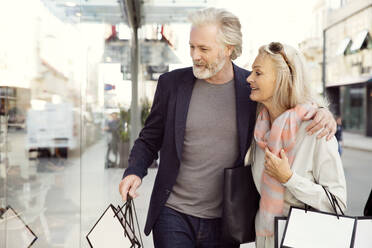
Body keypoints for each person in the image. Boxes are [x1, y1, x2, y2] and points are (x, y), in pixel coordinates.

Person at [119, 8, 336, 247]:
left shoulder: (251, 89)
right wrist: (133, 171)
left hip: (225, 221)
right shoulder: (171, 84)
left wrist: (323, 113)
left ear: (228, 49)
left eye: (204, 49)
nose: (195, 55)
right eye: (192, 47)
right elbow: (150, 138)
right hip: (173, 213)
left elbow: (287, 105)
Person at [246, 42, 347, 248]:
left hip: (304, 239)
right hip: (264, 239)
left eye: (258, 73)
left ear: (281, 80)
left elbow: (337, 204)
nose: (249, 79)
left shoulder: (316, 129)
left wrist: (289, 179)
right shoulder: (260, 130)